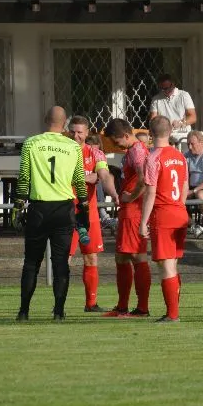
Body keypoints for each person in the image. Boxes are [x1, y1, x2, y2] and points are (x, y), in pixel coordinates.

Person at [15, 106, 87, 322]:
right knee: (61, 262)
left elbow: (24, 178)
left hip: (39, 208)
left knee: (31, 262)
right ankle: (58, 311)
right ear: (65, 124)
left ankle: (24, 311)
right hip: (63, 209)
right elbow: (79, 180)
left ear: (45, 119)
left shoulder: (31, 143)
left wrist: (18, 206)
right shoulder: (73, 146)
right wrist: (84, 207)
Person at [66, 115, 119, 312]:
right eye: (73, 132)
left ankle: (91, 303)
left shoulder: (95, 153)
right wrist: (87, 176)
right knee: (64, 259)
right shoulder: (63, 152)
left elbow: (103, 174)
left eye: (80, 132)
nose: (76, 136)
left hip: (89, 214)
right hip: (66, 212)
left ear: (87, 133)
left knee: (91, 258)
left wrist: (113, 192)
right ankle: (59, 305)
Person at [140, 116, 189, 322]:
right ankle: (174, 310)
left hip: (163, 214)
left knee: (165, 266)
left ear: (151, 134)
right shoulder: (180, 156)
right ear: (170, 132)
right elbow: (185, 186)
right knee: (173, 264)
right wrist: (179, 206)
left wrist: (143, 221)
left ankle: (172, 314)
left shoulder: (153, 158)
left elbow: (150, 193)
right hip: (180, 212)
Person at [102, 118, 153, 317]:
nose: (116, 146)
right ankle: (122, 306)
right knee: (122, 257)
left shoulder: (138, 151)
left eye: (116, 141)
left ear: (125, 135)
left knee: (137, 256)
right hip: (128, 210)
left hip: (134, 211)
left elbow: (144, 180)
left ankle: (142, 308)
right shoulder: (132, 151)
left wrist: (130, 197)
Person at [149, 74, 197, 142]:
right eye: (163, 89)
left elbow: (193, 117)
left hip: (182, 137)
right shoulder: (156, 99)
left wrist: (181, 123)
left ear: (173, 84)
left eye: (168, 88)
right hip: (164, 138)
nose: (166, 91)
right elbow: (153, 120)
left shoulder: (184, 95)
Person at [85, 133, 118, 233]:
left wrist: (114, 194)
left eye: (95, 147)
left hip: (94, 188)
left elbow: (104, 175)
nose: (92, 151)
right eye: (90, 146)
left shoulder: (99, 155)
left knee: (99, 179)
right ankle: (103, 213)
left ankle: (103, 213)